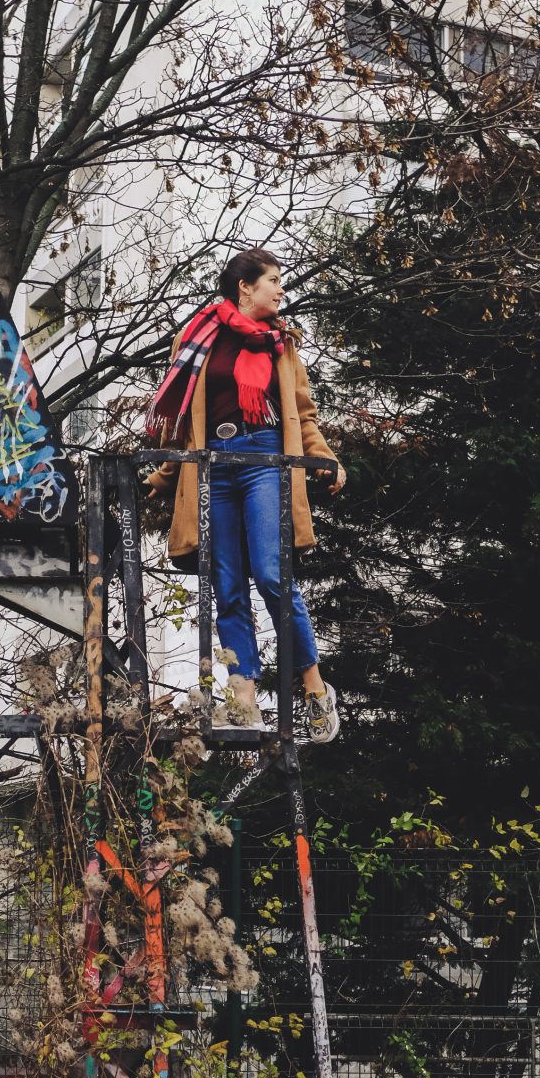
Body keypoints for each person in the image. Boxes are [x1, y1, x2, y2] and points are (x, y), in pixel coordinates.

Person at [147, 247, 344, 741]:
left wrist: (325, 457)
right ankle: (244, 700)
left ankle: (314, 688)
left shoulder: (281, 344)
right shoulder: (196, 338)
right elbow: (181, 421)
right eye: (273, 280)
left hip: (265, 459)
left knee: (273, 575)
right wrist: (165, 475)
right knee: (227, 586)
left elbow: (303, 413)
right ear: (245, 287)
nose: (281, 289)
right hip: (213, 465)